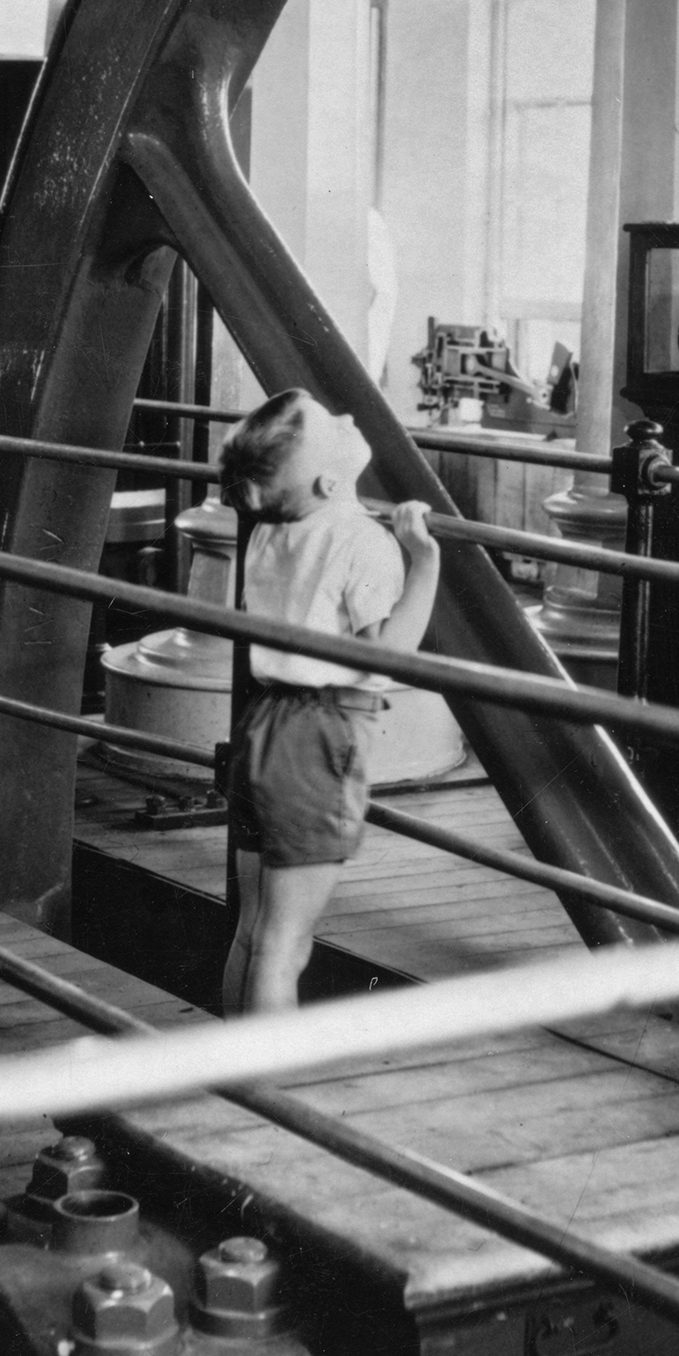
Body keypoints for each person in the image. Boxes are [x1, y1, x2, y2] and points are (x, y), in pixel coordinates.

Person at [217, 390, 440, 1014]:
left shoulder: (267, 530)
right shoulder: (362, 540)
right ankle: (269, 1095)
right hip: (322, 731)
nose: (347, 417)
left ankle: (232, 1069)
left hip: (263, 725)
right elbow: (387, 656)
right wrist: (424, 561)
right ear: (328, 479)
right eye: (334, 422)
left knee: (253, 930)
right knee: (286, 945)